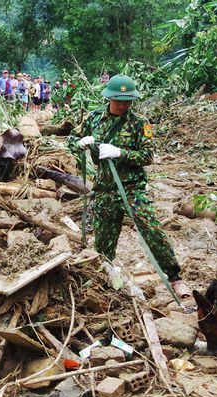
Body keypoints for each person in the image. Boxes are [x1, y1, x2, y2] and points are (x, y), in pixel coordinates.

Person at [67, 75, 191, 299]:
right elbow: (71, 140)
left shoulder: (139, 123)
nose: (123, 105)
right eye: (119, 101)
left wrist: (120, 153)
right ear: (109, 99)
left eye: (128, 101)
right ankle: (105, 278)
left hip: (133, 189)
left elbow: (148, 155)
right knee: (103, 242)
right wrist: (80, 143)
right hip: (105, 189)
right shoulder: (94, 119)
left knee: (152, 231)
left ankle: (175, 278)